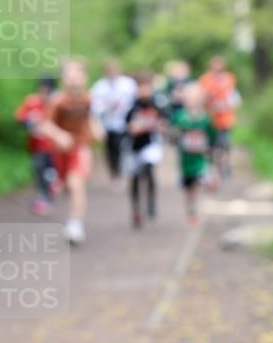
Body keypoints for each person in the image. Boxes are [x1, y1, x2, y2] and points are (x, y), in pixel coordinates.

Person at [39, 57, 102, 245]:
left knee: (76, 183)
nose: (74, 78)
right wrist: (59, 135)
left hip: (81, 147)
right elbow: (45, 125)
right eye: (69, 74)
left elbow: (92, 118)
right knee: (66, 187)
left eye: (78, 73)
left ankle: (75, 225)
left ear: (85, 77)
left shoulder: (88, 99)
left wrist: (97, 128)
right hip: (61, 151)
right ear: (63, 78)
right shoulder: (57, 101)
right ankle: (61, 190)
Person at [124, 73, 170, 228]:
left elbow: (164, 125)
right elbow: (129, 128)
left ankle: (151, 202)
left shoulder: (157, 106)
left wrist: (158, 126)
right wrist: (136, 128)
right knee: (135, 178)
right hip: (135, 147)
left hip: (151, 145)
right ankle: (136, 209)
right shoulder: (132, 107)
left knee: (149, 170)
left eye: (147, 88)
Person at [172, 83, 217, 225]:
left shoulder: (205, 118)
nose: (193, 101)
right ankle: (191, 210)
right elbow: (174, 135)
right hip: (186, 158)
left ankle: (208, 182)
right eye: (190, 98)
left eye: (196, 98)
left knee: (200, 179)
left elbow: (212, 137)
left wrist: (211, 151)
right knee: (189, 187)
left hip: (201, 157)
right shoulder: (180, 116)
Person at [15, 76, 58, 216]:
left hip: (54, 147)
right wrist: (28, 120)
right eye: (42, 89)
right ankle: (43, 198)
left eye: (47, 90)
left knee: (50, 173)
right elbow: (19, 118)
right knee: (39, 170)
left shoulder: (57, 103)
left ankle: (47, 194)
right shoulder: (32, 102)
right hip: (37, 146)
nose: (44, 92)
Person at [90, 57, 137, 185]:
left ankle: (123, 171)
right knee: (111, 150)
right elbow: (94, 107)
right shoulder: (99, 86)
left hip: (125, 123)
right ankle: (114, 173)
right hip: (108, 124)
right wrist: (107, 107)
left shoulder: (128, 84)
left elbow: (134, 102)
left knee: (124, 147)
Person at [198, 55, 241, 181]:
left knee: (225, 143)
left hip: (225, 118)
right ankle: (212, 167)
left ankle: (225, 165)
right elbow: (201, 96)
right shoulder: (205, 79)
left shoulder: (229, 78)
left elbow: (233, 96)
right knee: (211, 145)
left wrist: (227, 104)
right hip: (210, 119)